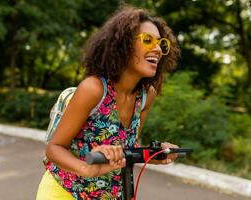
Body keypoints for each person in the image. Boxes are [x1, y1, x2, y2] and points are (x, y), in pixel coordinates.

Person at [36, 5, 181, 200]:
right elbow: (54, 148)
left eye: (161, 44)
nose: (157, 49)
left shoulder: (146, 96)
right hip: (66, 193)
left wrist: (154, 154)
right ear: (123, 44)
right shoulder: (93, 89)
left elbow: (128, 148)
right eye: (147, 40)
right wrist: (86, 169)